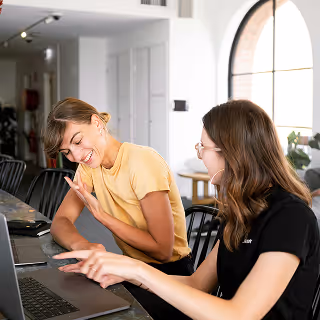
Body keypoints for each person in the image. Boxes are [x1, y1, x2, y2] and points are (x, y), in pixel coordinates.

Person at [55, 100, 320, 320]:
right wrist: (124, 272)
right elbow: (196, 284)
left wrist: (136, 270)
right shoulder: (242, 213)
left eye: (203, 147)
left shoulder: (290, 217)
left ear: (232, 152)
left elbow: (240, 315)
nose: (200, 155)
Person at [43, 98, 193, 270]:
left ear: (97, 124)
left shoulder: (142, 162)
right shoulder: (89, 167)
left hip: (172, 273)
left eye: (77, 142)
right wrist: (84, 246)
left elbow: (163, 250)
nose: (76, 157)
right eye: (66, 152)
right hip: (133, 266)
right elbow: (61, 220)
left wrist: (103, 217)